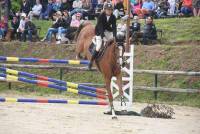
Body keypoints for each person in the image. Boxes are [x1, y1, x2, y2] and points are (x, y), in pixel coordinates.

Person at [88, 3, 117, 69]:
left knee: (114, 43)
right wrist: (103, 37)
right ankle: (91, 62)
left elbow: (114, 27)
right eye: (107, 10)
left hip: (107, 30)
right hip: (99, 31)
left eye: (110, 10)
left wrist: (115, 36)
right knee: (98, 46)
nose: (109, 11)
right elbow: (100, 27)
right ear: (105, 10)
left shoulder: (113, 17)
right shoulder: (101, 16)